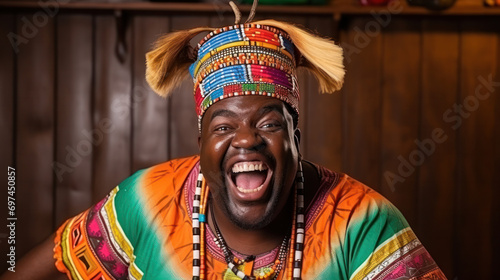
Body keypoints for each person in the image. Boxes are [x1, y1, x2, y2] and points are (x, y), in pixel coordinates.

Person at [0, 4, 447, 280]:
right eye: (223, 126)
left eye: (269, 124)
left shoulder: (360, 222)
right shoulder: (150, 201)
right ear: (201, 140)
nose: (246, 140)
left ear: (296, 135)